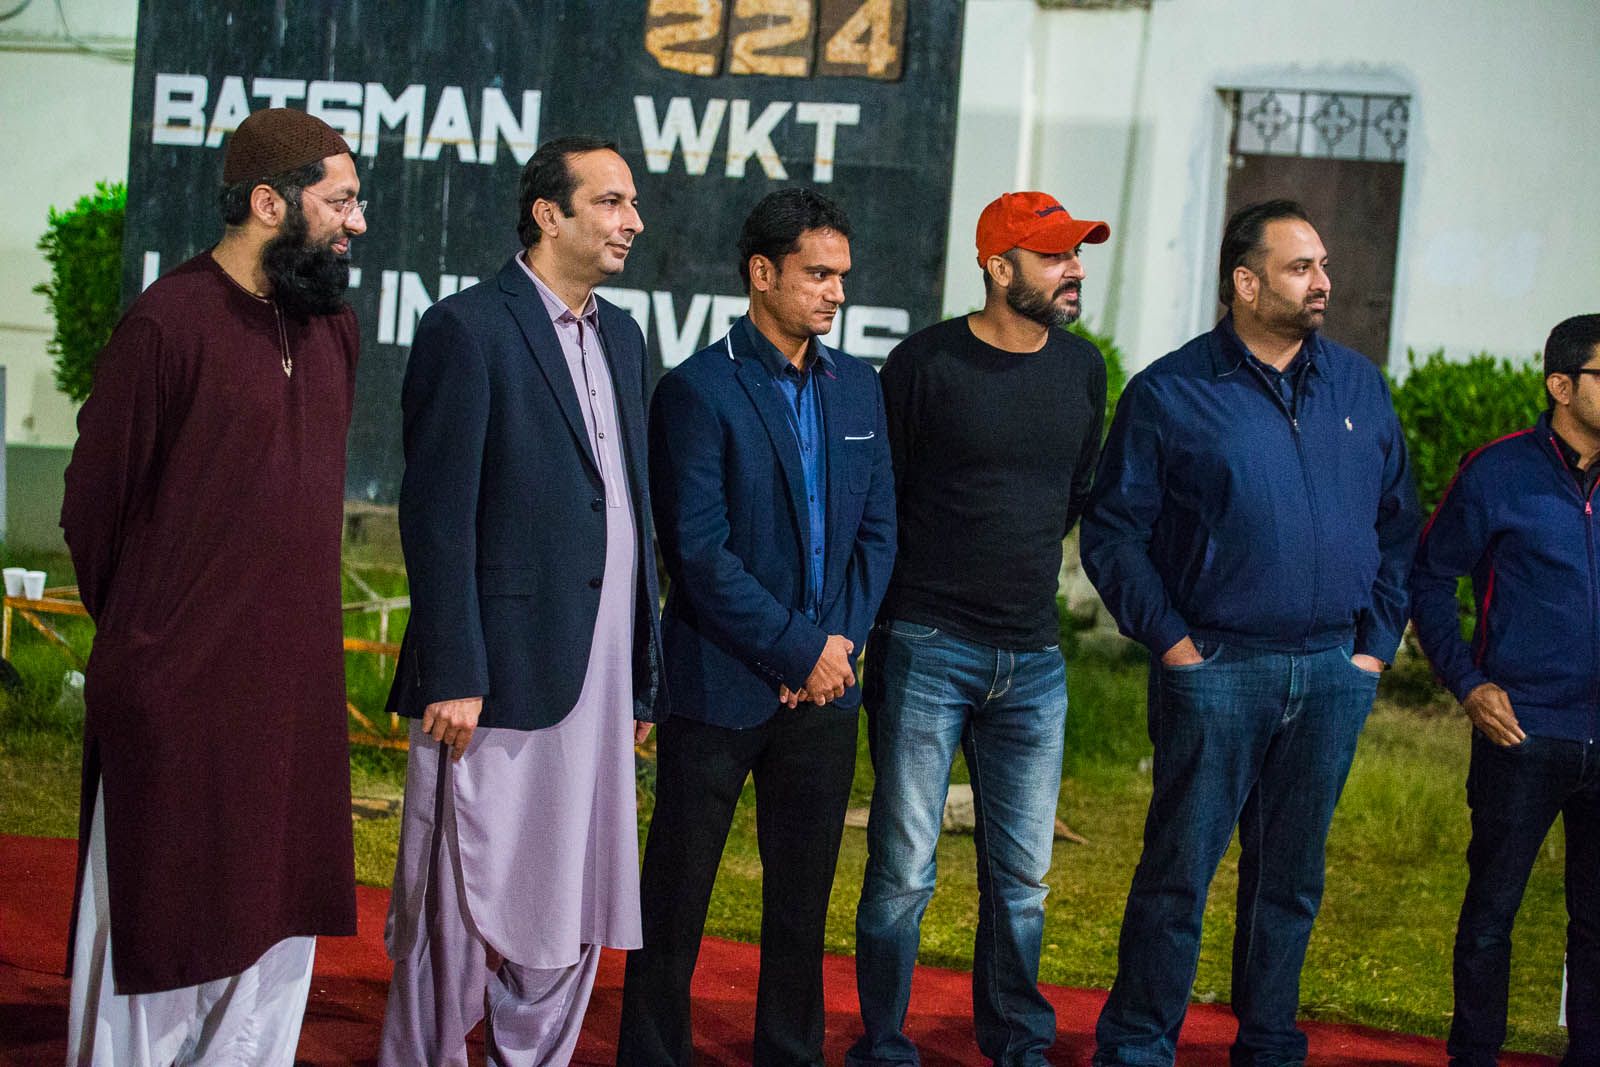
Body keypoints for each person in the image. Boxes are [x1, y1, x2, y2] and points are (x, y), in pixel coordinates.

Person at [1080, 199, 1419, 1067]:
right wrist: (1174, 644)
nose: (1323, 282)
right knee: (1177, 875)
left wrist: (1373, 646)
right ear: (1246, 282)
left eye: (1324, 265)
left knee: (1291, 881)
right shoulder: (1171, 391)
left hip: (1334, 671)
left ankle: (1268, 1043)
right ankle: (1138, 1046)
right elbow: (1114, 533)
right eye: (1301, 267)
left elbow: (1399, 525)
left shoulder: (1358, 385)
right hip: (1217, 668)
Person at [59, 106, 367, 1064]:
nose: (358, 222)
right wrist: (155, 635)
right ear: (270, 202)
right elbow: (93, 509)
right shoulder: (168, 322)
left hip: (292, 701)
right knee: (157, 932)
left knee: (275, 935)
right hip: (177, 700)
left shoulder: (333, 327)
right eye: (341, 201)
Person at [378, 135, 664, 1067]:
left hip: (600, 669)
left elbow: (628, 509)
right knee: (462, 890)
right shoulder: (467, 328)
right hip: (492, 675)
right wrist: (454, 668)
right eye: (612, 202)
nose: (633, 221)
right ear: (549, 214)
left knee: (574, 886)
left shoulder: (625, 335)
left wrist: (642, 672)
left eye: (632, 203)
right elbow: (437, 517)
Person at [617, 188, 896, 1067]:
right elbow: (698, 554)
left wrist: (835, 648)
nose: (836, 292)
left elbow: (879, 533)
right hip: (719, 682)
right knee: (675, 898)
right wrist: (799, 650)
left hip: (826, 689)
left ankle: (790, 1052)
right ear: (762, 273)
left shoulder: (860, 388)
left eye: (842, 275)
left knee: (803, 908)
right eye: (818, 274)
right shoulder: (696, 390)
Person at [847, 191, 1109, 1067]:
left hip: (1034, 660)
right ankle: (885, 1045)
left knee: (1023, 879)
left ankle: (1019, 1044)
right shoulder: (923, 364)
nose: (1074, 270)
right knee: (902, 871)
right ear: (999, 268)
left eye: (1076, 254)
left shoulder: (1083, 370)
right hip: (927, 646)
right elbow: (882, 500)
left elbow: (1073, 492)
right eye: (1054, 256)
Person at [1410, 313, 1600, 1067]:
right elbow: (1430, 578)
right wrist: (1468, 683)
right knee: (1492, 914)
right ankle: (1475, 1055)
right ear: (1562, 385)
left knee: (1595, 924)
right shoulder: (1497, 471)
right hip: (1521, 732)